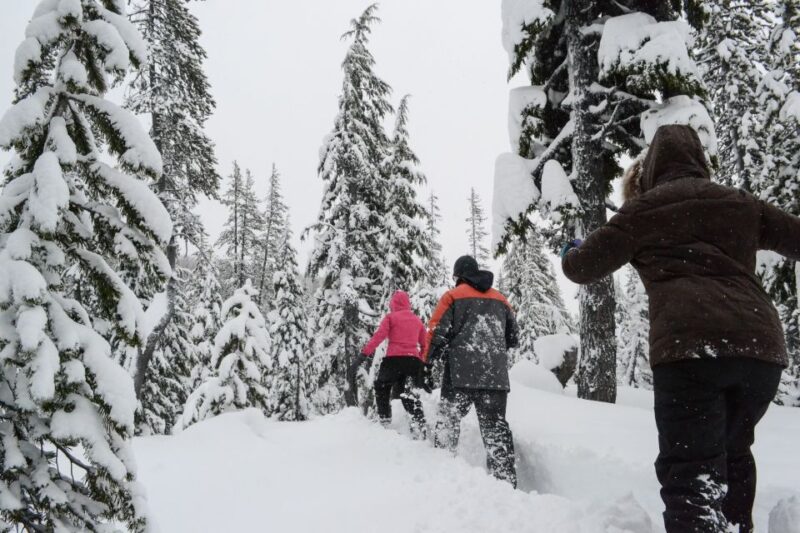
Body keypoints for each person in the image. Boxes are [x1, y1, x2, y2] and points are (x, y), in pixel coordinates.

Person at [561, 124, 794, 533]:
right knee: (734, 453)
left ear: (650, 170)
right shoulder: (740, 203)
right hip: (759, 351)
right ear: (700, 163)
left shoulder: (641, 211)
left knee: (692, 473)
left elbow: (581, 268)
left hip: (690, 351)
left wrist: (570, 251)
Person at [426, 255, 519, 487]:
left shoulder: (452, 296)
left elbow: (436, 332)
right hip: (495, 378)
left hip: (460, 375)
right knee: (495, 428)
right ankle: (505, 484)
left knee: (448, 421)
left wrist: (426, 363)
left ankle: (441, 474)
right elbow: (513, 337)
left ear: (458, 276)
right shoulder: (501, 299)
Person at [359, 290, 428, 439]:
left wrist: (365, 353)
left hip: (393, 360)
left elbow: (378, 337)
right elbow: (425, 344)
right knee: (409, 392)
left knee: (382, 386)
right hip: (412, 361)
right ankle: (418, 423)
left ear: (393, 304)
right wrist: (421, 361)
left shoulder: (391, 318)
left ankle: (384, 419)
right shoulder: (417, 320)